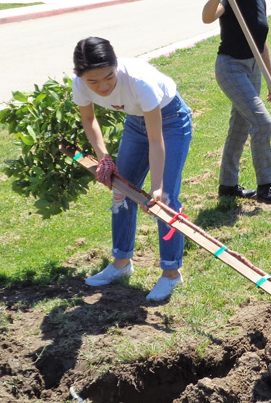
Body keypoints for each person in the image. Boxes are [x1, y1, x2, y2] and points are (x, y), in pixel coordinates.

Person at [73, 37, 193, 302]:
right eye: (93, 82)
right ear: (79, 76)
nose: (102, 87)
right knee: (121, 190)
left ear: (117, 65)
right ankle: (121, 263)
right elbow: (89, 119)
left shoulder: (140, 83)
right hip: (136, 123)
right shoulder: (80, 85)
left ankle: (171, 274)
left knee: (167, 200)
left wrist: (158, 185)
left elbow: (156, 139)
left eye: (108, 77)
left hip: (171, 121)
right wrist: (103, 157)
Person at [201, 0, 271, 204]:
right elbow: (207, 18)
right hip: (230, 68)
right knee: (262, 122)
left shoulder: (260, 2)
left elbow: (262, 43)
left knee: (239, 127)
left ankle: (228, 185)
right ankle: (265, 186)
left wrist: (270, 78)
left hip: (253, 68)